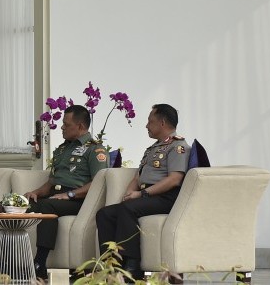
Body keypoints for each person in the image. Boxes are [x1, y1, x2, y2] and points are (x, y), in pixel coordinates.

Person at [96, 104, 190, 280]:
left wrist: (141, 195)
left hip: (166, 198)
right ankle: (110, 265)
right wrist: (130, 192)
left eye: (150, 121)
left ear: (162, 123)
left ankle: (132, 265)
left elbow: (174, 179)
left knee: (128, 209)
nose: (147, 125)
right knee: (105, 214)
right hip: (147, 197)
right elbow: (138, 177)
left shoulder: (178, 147)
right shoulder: (153, 149)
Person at [24, 105, 109, 278]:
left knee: (47, 206)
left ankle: (39, 262)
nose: (62, 127)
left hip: (78, 200)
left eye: (66, 124)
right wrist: (35, 192)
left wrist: (69, 194)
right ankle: (2, 265)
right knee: (12, 208)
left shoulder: (95, 149)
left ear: (79, 126)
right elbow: (52, 181)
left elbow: (98, 183)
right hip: (56, 197)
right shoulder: (63, 149)